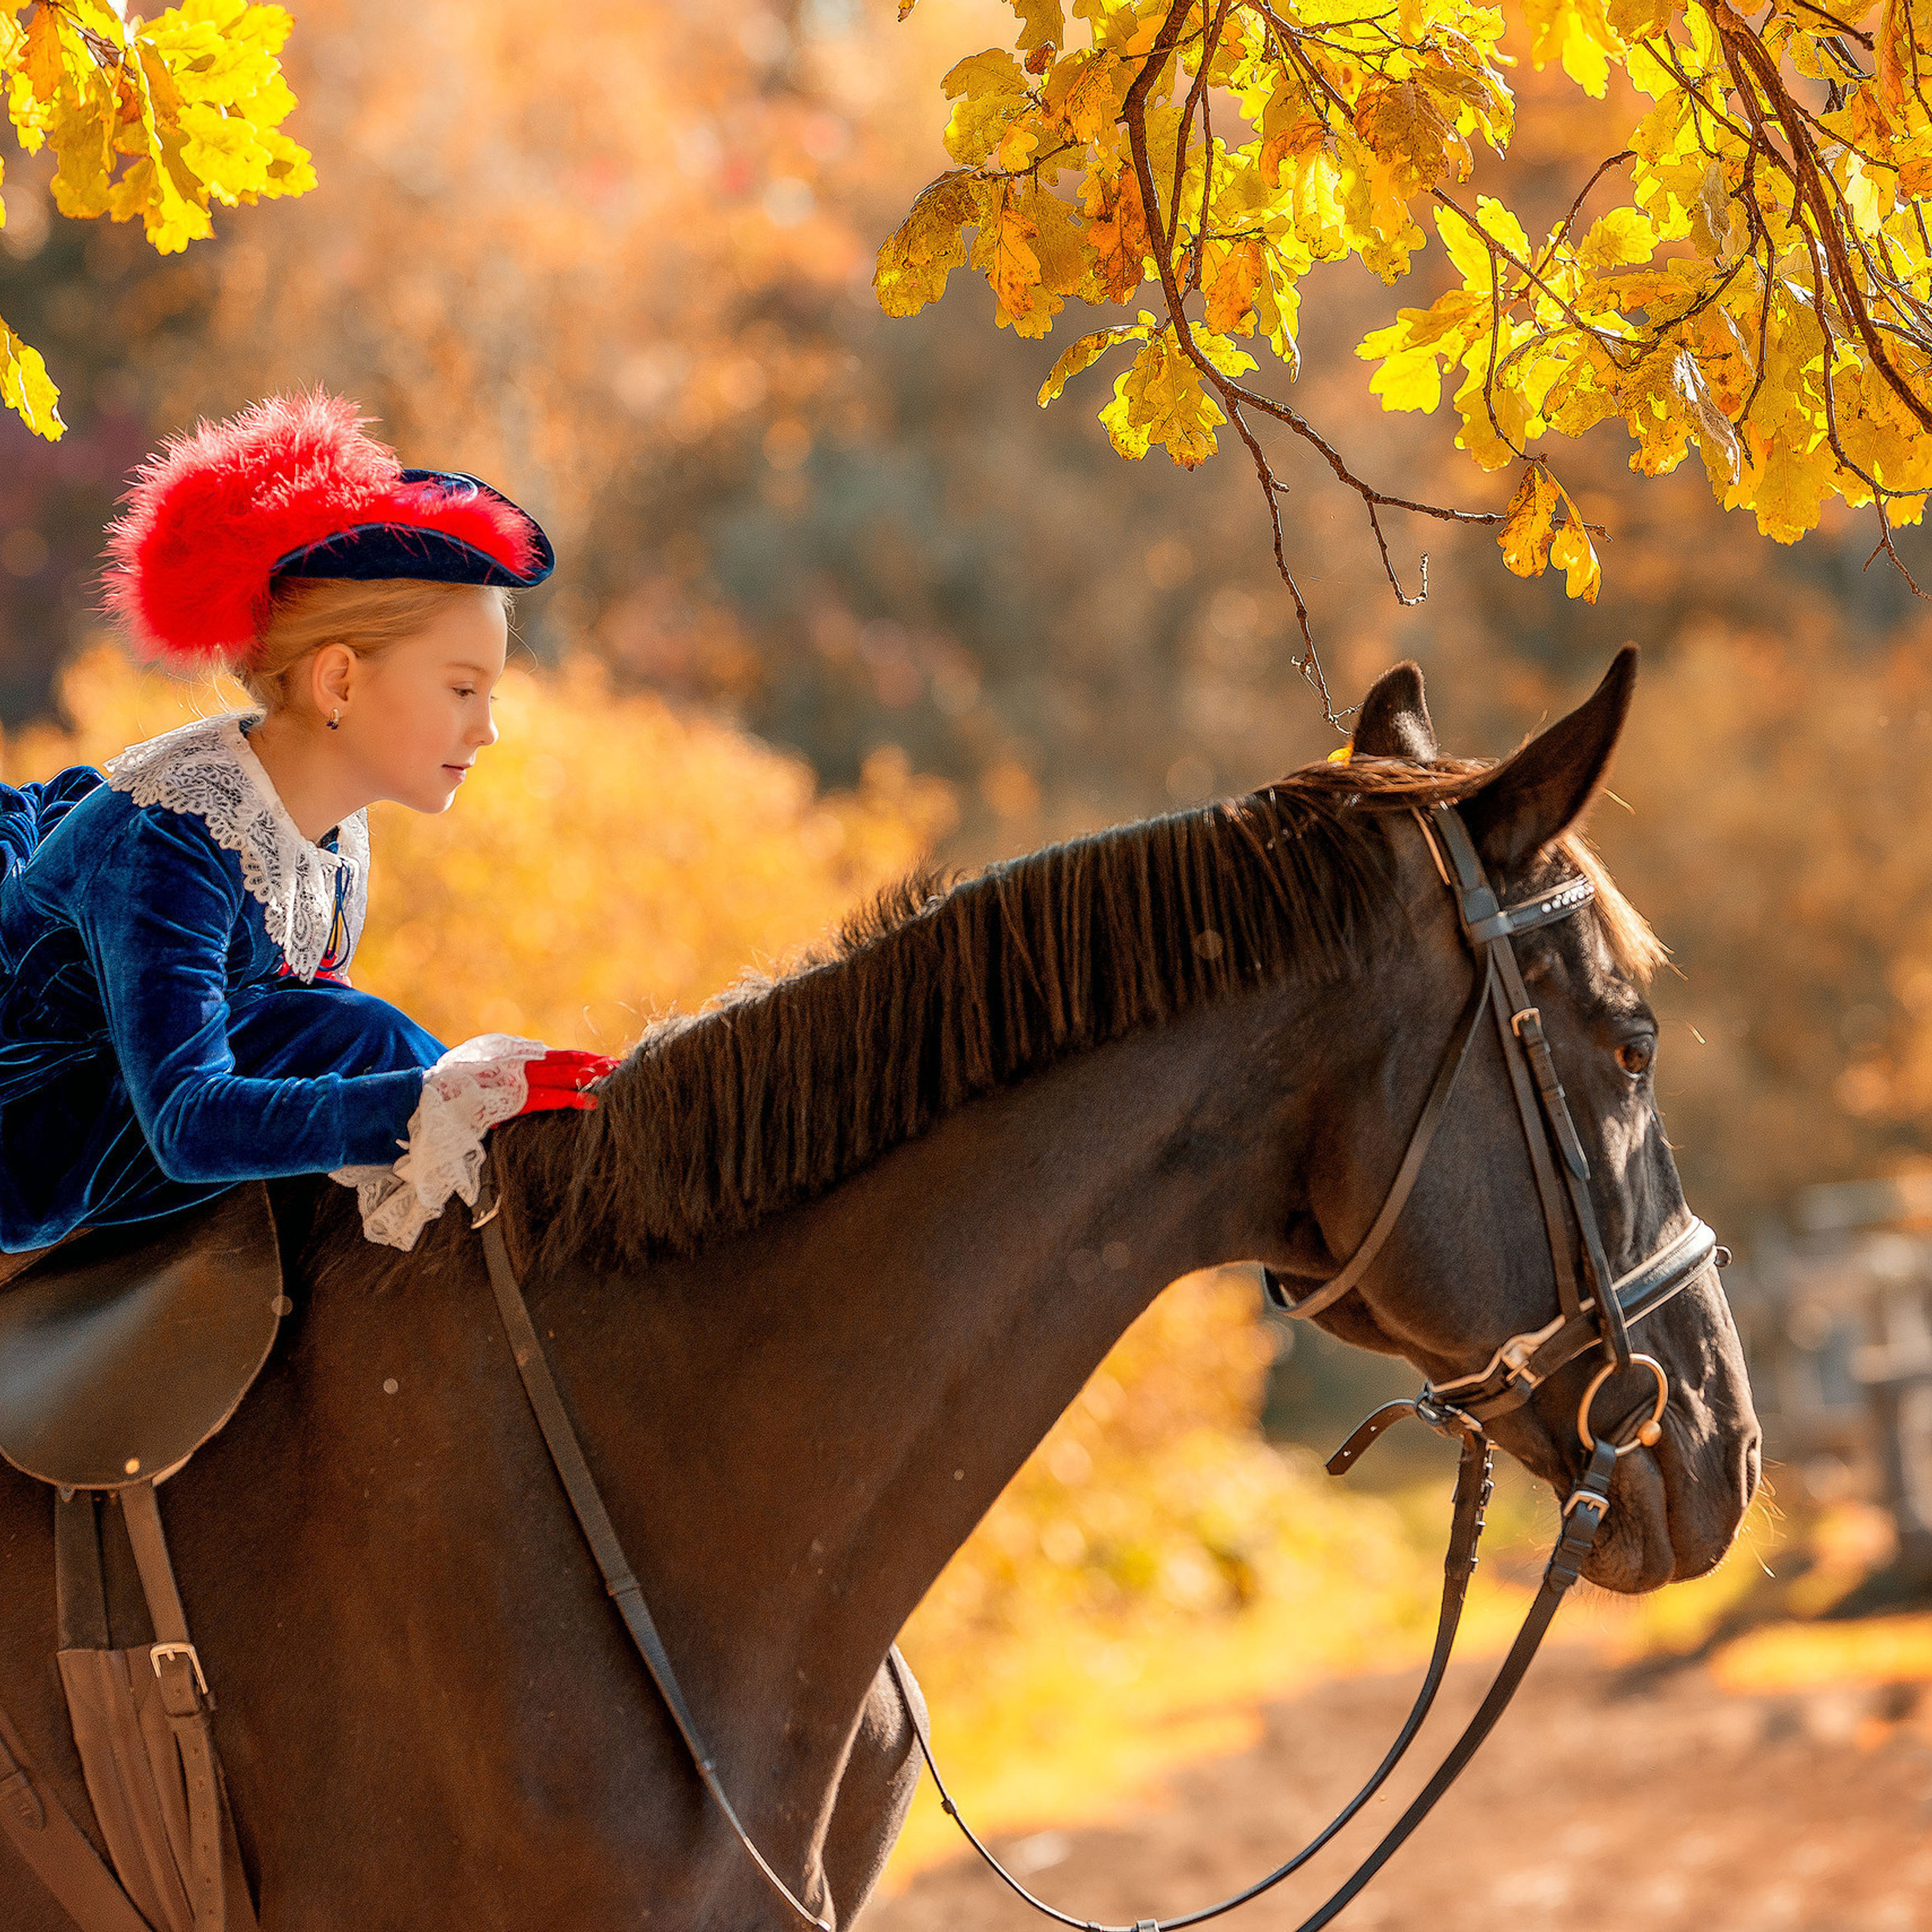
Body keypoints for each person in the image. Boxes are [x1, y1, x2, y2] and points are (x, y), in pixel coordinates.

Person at [0, 390, 617, 1254]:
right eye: (461, 689)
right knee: (356, 1032)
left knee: (350, 1026)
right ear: (339, 683)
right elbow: (186, 1117)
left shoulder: (332, 829)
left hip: (158, 1100)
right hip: (37, 1139)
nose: (488, 728)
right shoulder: (168, 838)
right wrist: (429, 1099)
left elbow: (299, 1009)